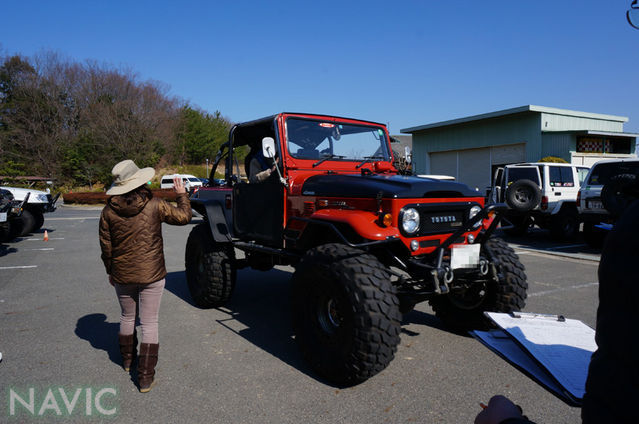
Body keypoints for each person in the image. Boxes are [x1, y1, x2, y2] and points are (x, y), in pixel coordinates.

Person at [99, 159, 192, 393]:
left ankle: (128, 361)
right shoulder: (155, 204)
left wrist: (111, 271)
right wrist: (182, 196)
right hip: (152, 273)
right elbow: (184, 218)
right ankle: (145, 378)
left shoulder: (108, 211)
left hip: (122, 274)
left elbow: (106, 246)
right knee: (149, 322)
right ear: (139, 181)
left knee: (127, 317)